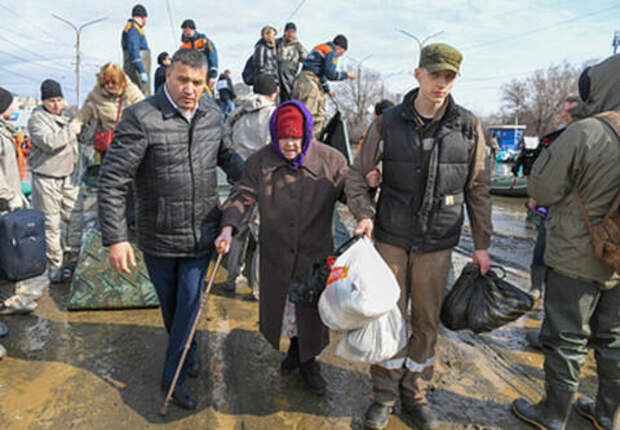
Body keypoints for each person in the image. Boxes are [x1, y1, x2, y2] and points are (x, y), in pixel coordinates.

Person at [346, 43, 492, 430]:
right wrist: (363, 214)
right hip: (392, 238)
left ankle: (415, 393)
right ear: (418, 74)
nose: (441, 83)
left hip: (438, 243)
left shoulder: (468, 125)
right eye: (435, 75)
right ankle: (383, 396)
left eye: (449, 77)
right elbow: (357, 175)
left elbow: (478, 187)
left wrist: (482, 245)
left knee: (427, 322)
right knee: (387, 318)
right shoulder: (388, 122)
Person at [97, 49, 243, 411]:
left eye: (197, 81)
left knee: (191, 306)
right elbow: (113, 179)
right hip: (159, 234)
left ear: (206, 81)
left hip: (202, 233)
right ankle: (187, 353)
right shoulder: (141, 117)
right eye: (183, 79)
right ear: (168, 75)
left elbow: (226, 155)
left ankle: (172, 376)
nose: (190, 89)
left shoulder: (211, 114)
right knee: (172, 309)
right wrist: (116, 238)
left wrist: (256, 180)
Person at [512, 54, 620, 430]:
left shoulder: (587, 131)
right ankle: (607, 413)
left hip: (577, 255)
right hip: (619, 260)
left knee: (567, 337)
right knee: (613, 339)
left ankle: (553, 413)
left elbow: (540, 188)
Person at [215, 100, 348, 396]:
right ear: (275, 135)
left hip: (314, 254)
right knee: (287, 309)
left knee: (310, 310)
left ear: (307, 135)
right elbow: (241, 196)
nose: (290, 145)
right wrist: (228, 226)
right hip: (277, 253)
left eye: (296, 138)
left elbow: (352, 193)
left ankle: (309, 361)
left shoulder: (331, 161)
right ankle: (294, 352)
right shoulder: (260, 162)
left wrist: (369, 193)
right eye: (284, 138)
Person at [217, 73, 278, 298]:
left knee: (237, 229)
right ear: (274, 92)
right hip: (266, 180)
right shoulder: (274, 114)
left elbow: (225, 137)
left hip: (241, 177)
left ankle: (232, 278)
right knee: (264, 235)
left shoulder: (238, 112)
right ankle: (259, 289)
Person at [27, 79, 82, 283]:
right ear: (44, 101)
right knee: (51, 225)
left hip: (69, 176)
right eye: (52, 101)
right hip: (46, 178)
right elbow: (50, 142)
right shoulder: (37, 120)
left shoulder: (67, 117)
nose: (57, 105)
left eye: (59, 100)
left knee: (75, 220)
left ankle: (72, 261)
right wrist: (71, 130)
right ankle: (55, 267)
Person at [292, 35, 355, 139]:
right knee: (311, 116)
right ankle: (309, 145)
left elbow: (319, 73)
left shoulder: (320, 48)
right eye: (341, 53)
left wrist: (328, 90)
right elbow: (331, 74)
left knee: (302, 113)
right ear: (340, 48)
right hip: (310, 84)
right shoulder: (331, 52)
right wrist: (347, 75)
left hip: (302, 81)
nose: (340, 56)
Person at [179, 19, 218, 89]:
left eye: (186, 29)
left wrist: (213, 76)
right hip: (189, 76)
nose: (184, 32)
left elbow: (213, 57)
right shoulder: (183, 47)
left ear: (191, 29)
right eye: (183, 30)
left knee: (205, 97)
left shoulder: (204, 42)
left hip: (204, 75)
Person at [121, 4, 151, 96]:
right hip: (135, 71)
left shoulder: (134, 28)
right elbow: (134, 50)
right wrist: (141, 70)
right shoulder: (133, 29)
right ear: (143, 17)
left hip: (136, 69)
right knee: (140, 97)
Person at [276, 22, 307, 101]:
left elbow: (307, 60)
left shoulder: (298, 46)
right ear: (285, 32)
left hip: (290, 76)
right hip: (277, 77)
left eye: (293, 32)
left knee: (289, 96)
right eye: (289, 32)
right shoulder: (277, 43)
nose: (290, 34)